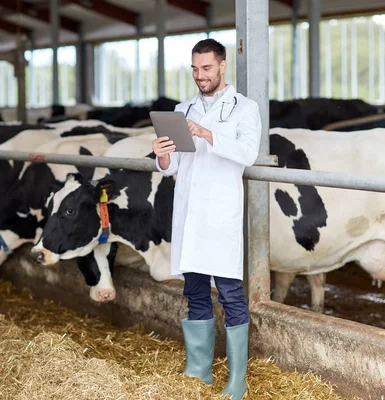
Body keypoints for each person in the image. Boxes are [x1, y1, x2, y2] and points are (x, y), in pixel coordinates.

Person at [151, 38, 261, 400]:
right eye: (195, 69)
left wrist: (206, 133)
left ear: (222, 66)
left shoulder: (246, 108)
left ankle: (237, 380)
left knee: (230, 295)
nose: (200, 76)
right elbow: (173, 168)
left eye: (207, 68)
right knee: (195, 292)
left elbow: (248, 153)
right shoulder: (183, 109)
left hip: (221, 216)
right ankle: (199, 370)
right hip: (190, 216)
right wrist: (162, 156)